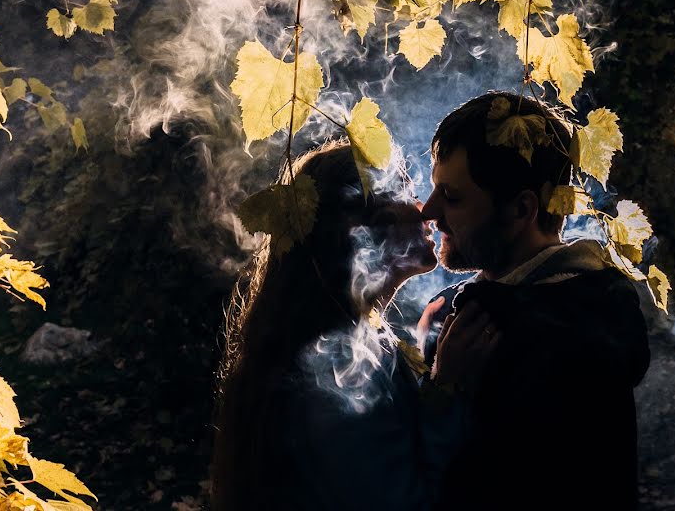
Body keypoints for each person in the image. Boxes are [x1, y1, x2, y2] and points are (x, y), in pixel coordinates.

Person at [210, 139, 496, 510]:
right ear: (358, 228)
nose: (425, 210)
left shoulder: (358, 341)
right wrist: (450, 390)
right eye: (403, 190)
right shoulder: (336, 365)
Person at [418, 92, 651, 509]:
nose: (429, 212)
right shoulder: (584, 304)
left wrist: (441, 389)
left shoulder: (528, 339)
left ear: (521, 209)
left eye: (452, 197)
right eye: (435, 189)